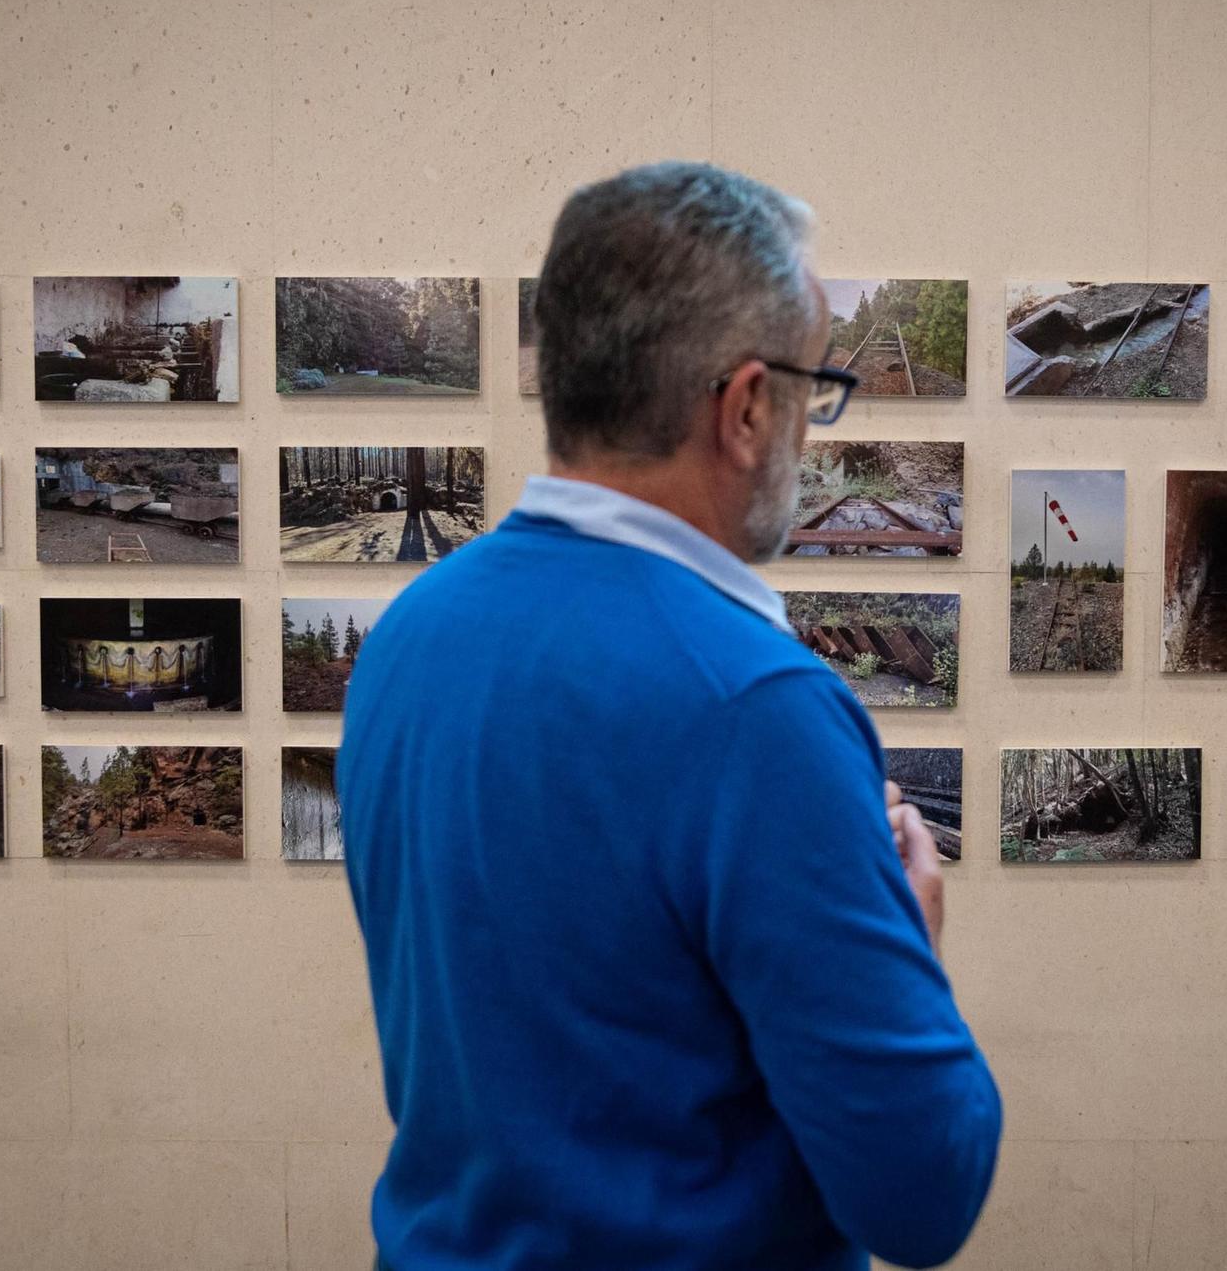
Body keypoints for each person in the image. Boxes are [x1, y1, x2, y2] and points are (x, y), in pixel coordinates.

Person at [339, 160, 1001, 1271]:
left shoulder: (412, 635)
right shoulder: (756, 704)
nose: (809, 427)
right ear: (745, 407)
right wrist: (909, 943)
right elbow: (921, 1191)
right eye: (809, 388)